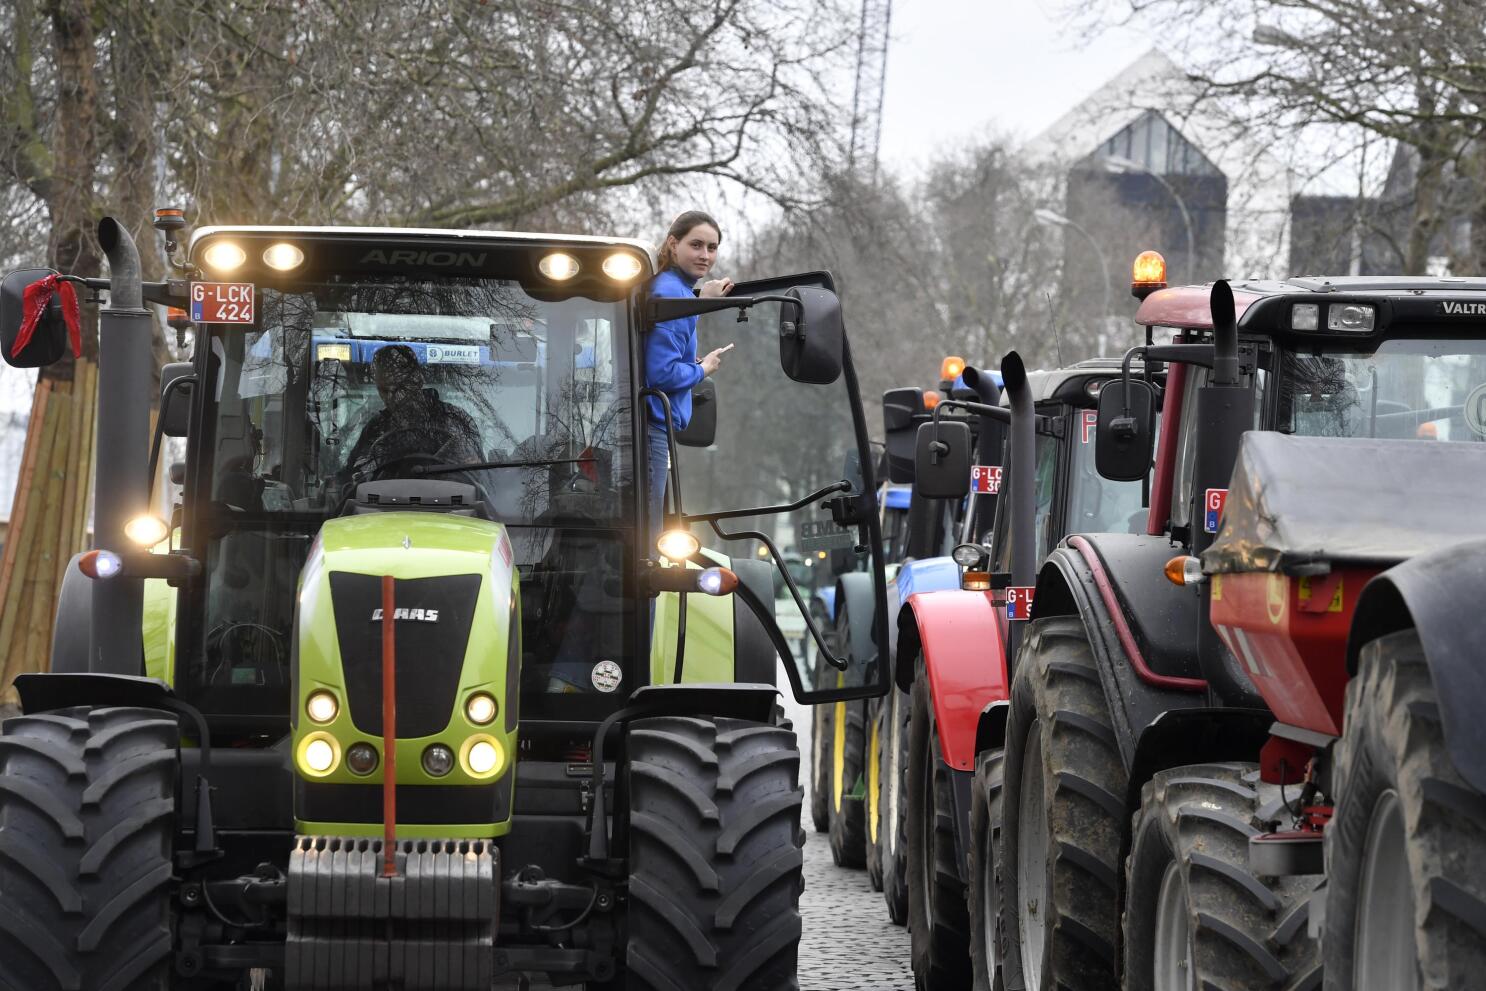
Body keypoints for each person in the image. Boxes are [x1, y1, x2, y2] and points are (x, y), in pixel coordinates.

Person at [645, 211, 734, 548]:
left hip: (650, 428)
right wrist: (703, 369)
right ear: (673, 243)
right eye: (696, 245)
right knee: (648, 544)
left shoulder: (671, 289)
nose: (705, 255)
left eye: (712, 248)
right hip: (652, 429)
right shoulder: (673, 296)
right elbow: (660, 373)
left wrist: (700, 301)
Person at [343, 344, 483, 480]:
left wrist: (471, 468)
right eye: (384, 390)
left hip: (448, 500)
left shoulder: (456, 421)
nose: (391, 398)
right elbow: (350, 477)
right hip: (384, 501)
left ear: (417, 380)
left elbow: (480, 476)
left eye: (400, 387)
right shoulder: (375, 428)